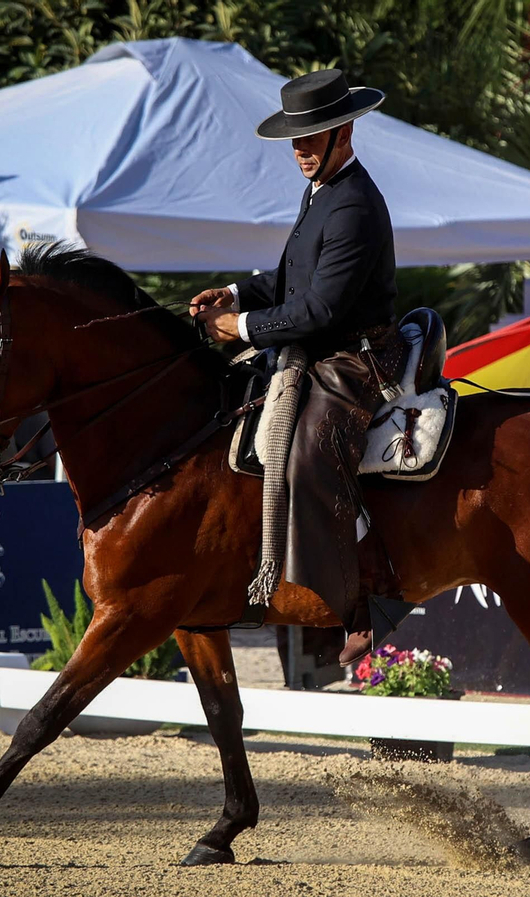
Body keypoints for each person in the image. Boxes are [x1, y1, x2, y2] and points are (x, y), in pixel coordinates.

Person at [188, 69, 400, 667]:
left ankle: (368, 597)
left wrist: (243, 329)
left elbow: (321, 308)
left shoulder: (355, 203)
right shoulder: (320, 192)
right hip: (314, 344)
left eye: (313, 136)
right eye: (295, 140)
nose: (301, 150)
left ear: (346, 130)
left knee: (308, 450)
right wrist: (233, 294)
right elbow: (288, 280)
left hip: (355, 357)